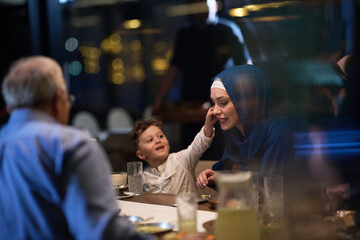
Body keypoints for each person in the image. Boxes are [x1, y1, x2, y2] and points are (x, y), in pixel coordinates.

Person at [0, 56, 149, 239]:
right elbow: (100, 232)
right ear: (58, 100)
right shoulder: (71, 144)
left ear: (9, 106)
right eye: (69, 100)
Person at [196, 64, 293, 189]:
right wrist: (218, 177)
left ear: (246, 101)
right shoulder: (236, 132)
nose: (215, 111)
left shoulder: (278, 134)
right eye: (214, 103)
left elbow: (271, 191)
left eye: (223, 103)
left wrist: (225, 180)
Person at [130, 111, 216, 194]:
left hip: (185, 208)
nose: (158, 140)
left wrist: (208, 125)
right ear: (141, 155)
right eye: (150, 140)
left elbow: (198, 145)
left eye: (161, 136)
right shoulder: (145, 176)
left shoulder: (182, 160)